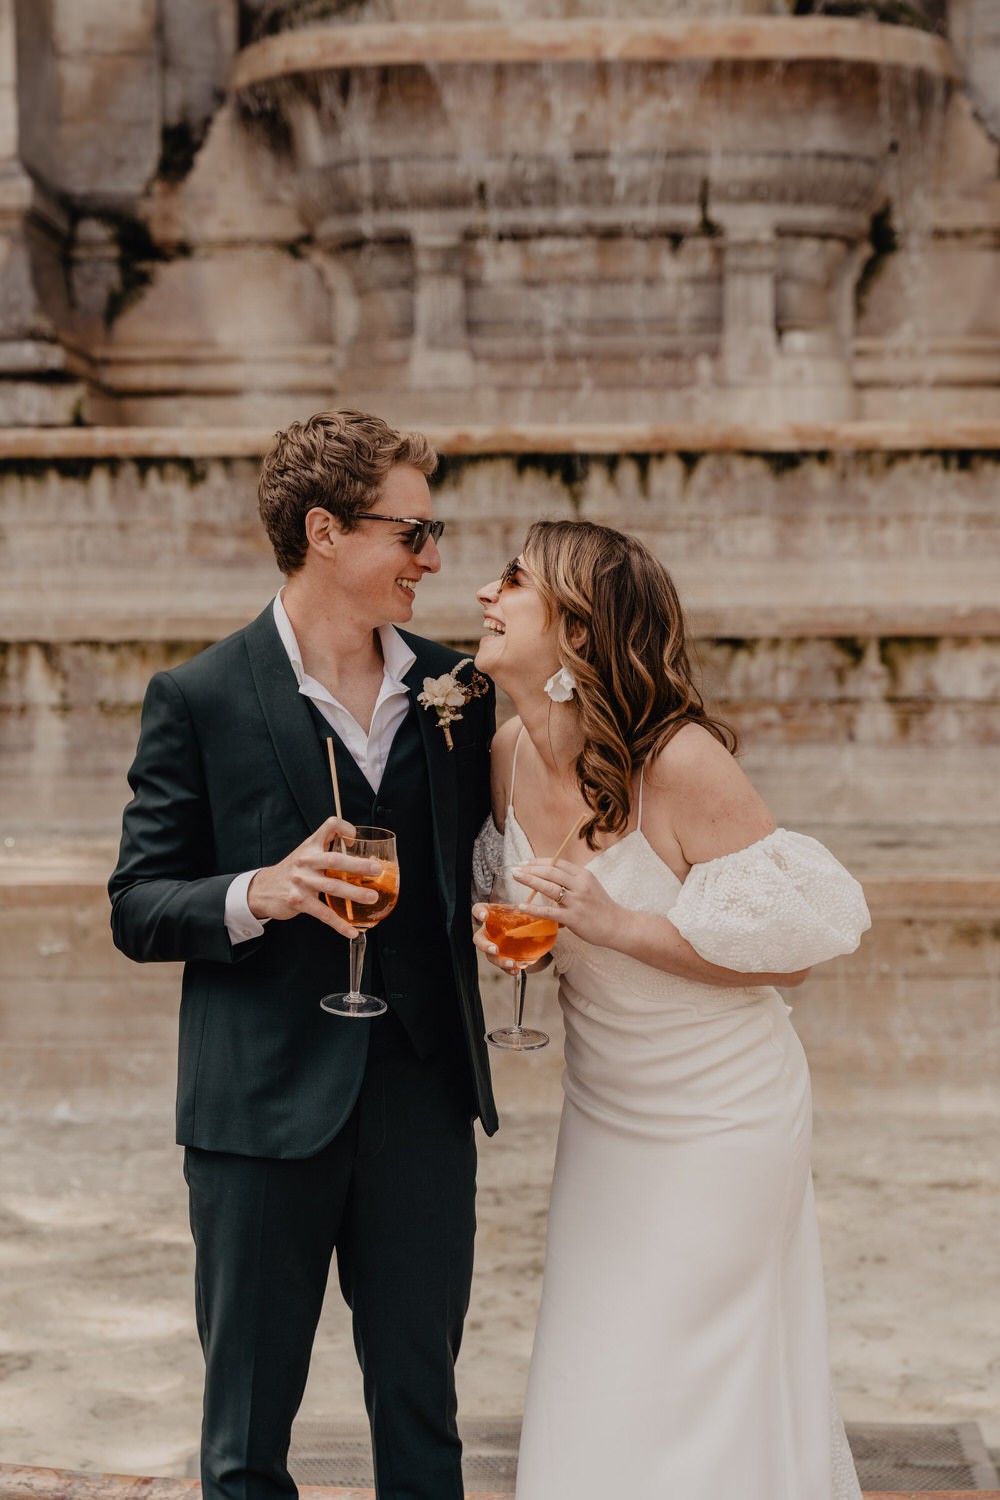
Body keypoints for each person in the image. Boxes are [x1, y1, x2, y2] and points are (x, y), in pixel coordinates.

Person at [109, 409, 497, 1500]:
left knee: (425, 1422)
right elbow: (137, 904)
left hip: (420, 1099)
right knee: (244, 1439)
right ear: (325, 530)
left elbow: (495, 861)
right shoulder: (199, 696)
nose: (433, 557)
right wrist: (257, 893)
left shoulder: (460, 691)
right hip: (258, 1113)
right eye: (410, 533)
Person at [471, 519, 870, 1500]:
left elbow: (793, 959)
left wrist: (616, 924)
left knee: (693, 1368)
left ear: (574, 631)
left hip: (722, 1113)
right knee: (599, 1357)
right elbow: (535, 912)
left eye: (512, 582)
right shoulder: (505, 753)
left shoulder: (681, 764)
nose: (485, 593)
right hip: (606, 1109)